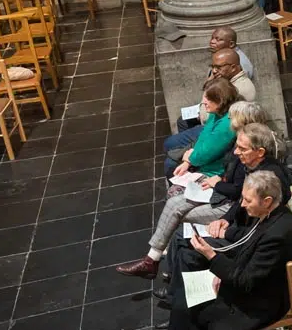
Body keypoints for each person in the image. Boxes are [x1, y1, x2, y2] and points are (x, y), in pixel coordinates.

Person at [154, 170, 292, 330]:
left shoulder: (277, 232)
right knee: (183, 298)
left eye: (248, 200)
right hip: (250, 283)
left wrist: (212, 257)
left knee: (186, 307)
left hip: (261, 301)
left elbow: (246, 282)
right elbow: (246, 247)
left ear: (267, 201)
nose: (242, 205)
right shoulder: (269, 215)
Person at [119, 108, 280, 279]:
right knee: (174, 203)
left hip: (228, 202)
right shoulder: (242, 153)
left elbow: (242, 199)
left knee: (180, 219)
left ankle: (167, 269)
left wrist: (224, 214)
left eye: (242, 148)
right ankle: (153, 259)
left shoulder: (262, 171)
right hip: (223, 194)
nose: (236, 151)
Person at [165, 78, 239, 179]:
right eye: (205, 96)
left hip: (213, 171)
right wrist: (188, 159)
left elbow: (207, 153)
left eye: (208, 98)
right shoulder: (216, 113)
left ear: (220, 101)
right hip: (202, 159)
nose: (204, 102)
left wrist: (189, 159)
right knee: (171, 158)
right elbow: (204, 136)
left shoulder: (226, 126)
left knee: (171, 165)